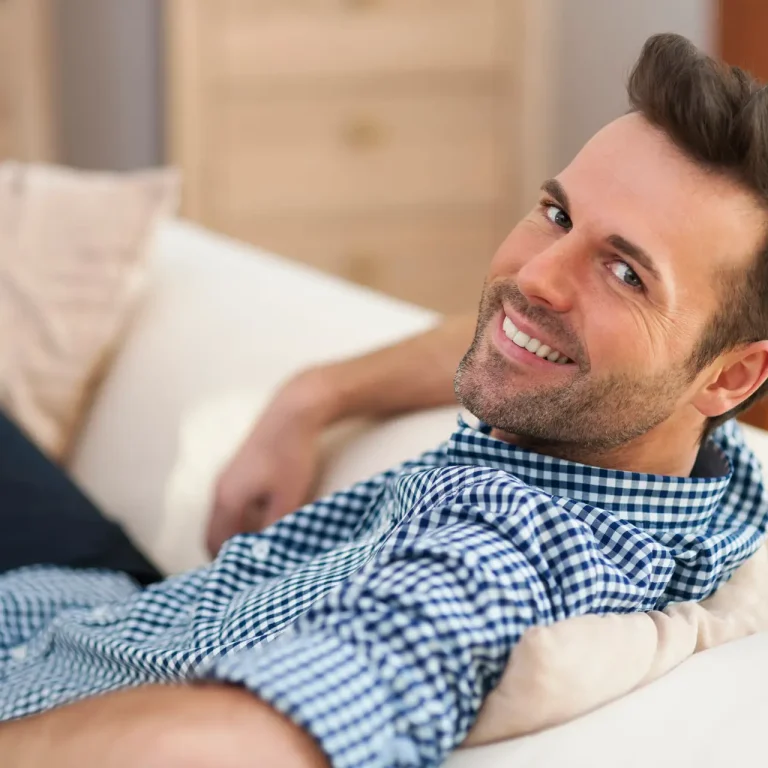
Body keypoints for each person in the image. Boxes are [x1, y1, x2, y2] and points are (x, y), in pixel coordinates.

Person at [2, 33, 768, 768]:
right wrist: (314, 397)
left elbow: (226, 750)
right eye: (558, 216)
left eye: (626, 274)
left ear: (732, 376)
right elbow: (522, 330)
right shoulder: (707, 460)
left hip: (72, 690)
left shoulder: (503, 558)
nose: (535, 276)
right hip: (110, 612)